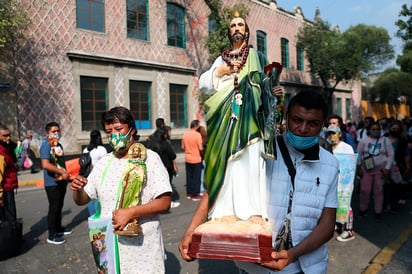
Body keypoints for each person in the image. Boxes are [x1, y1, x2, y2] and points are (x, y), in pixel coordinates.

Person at [179, 90, 339, 273]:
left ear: (323, 125)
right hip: (257, 266)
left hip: (308, 266)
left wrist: (293, 254)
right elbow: (220, 187)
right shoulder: (259, 151)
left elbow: (327, 225)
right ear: (286, 117)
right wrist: (192, 229)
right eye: (297, 120)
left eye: (312, 123)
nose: (303, 129)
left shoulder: (330, 164)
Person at [197, 12, 283, 222]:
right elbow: (203, 85)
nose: (236, 28)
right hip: (225, 116)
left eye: (240, 25)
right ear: (229, 32)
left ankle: (253, 210)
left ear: (246, 31)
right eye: (233, 25)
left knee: (250, 160)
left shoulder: (258, 57)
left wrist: (275, 93)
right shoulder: (221, 58)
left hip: (251, 119)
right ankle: (225, 210)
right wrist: (220, 72)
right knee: (228, 163)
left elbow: (267, 87)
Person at [70, 106, 172, 273]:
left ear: (131, 130)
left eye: (118, 129)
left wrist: (131, 212)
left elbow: (164, 202)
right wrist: (77, 189)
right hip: (108, 248)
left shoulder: (150, 159)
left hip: (142, 250)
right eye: (109, 131)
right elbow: (82, 200)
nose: (113, 135)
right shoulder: (104, 162)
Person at [40, 122, 73, 244]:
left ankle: (58, 229)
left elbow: (60, 162)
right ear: (47, 133)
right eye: (53, 131)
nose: (56, 133)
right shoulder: (46, 146)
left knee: (59, 206)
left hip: (61, 181)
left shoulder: (58, 145)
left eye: (58, 131)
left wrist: (65, 174)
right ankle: (52, 235)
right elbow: (45, 164)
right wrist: (60, 171)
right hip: (51, 183)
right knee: (54, 207)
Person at [356, 121, 394, 219]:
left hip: (380, 170)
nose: (376, 131)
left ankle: (378, 211)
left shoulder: (386, 140)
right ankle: (363, 209)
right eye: (373, 129)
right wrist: (359, 168)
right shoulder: (363, 141)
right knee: (364, 190)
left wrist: (387, 168)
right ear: (369, 130)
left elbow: (391, 155)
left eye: (378, 129)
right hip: (366, 170)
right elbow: (358, 154)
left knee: (379, 190)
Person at [325, 124, 356, 242]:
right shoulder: (326, 146)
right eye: (329, 133)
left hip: (344, 183)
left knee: (345, 204)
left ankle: (349, 230)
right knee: (332, 204)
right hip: (331, 183)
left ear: (339, 134)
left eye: (333, 133)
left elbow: (351, 165)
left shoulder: (346, 148)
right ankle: (337, 223)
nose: (331, 136)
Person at [146, 126, 180, 208]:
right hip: (166, 167)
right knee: (166, 185)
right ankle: (168, 202)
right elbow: (172, 155)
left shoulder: (150, 142)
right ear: (164, 134)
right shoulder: (165, 144)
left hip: (152, 167)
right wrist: (174, 166)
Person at [384, 120, 410, 212]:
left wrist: (407, 166)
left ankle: (394, 205)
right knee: (384, 186)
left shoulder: (402, 141)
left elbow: (406, 154)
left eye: (397, 129)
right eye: (393, 128)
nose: (394, 130)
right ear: (389, 129)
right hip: (384, 165)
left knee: (396, 185)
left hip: (398, 166)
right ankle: (385, 204)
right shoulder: (384, 139)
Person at [83, 130, 108, 215]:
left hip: (88, 176)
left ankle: (92, 216)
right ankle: (99, 216)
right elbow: (105, 164)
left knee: (90, 196)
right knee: (99, 197)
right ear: (99, 137)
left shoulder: (86, 149)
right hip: (100, 176)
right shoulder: (102, 149)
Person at [0, 123, 19, 221]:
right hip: (5, 190)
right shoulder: (1, 152)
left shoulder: (6, 149)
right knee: (9, 219)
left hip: (8, 187)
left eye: (9, 135)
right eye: (4, 136)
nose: (8, 138)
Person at [181, 120, 203, 201]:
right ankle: (195, 194)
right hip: (196, 158)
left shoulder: (185, 134)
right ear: (196, 126)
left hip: (188, 158)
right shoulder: (197, 135)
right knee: (196, 177)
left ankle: (189, 193)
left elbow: (182, 147)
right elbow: (200, 148)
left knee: (189, 177)